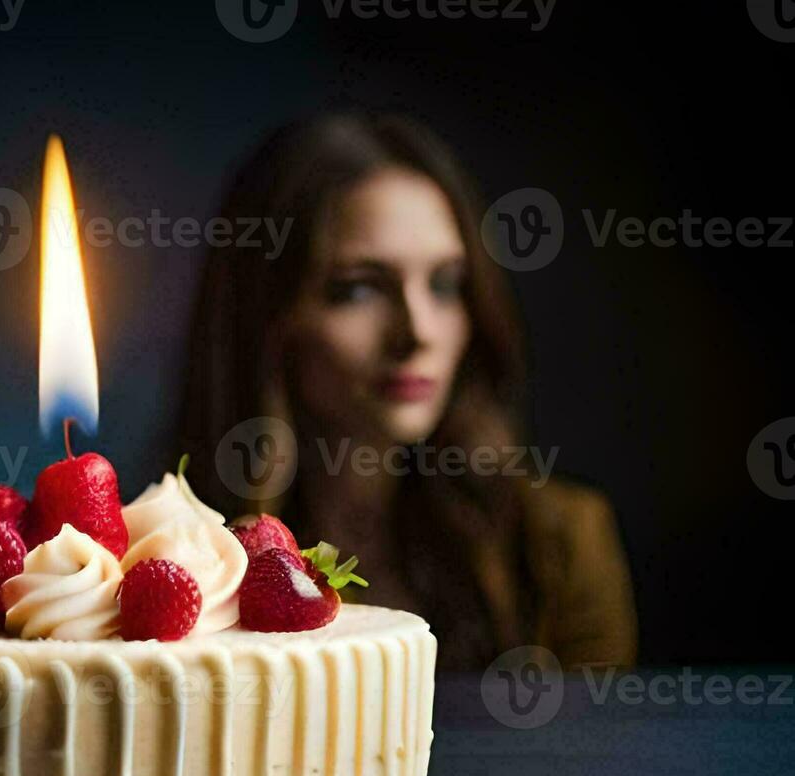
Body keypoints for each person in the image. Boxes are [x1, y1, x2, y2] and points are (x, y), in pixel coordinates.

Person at [179, 114, 636, 670]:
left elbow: (591, 755)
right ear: (267, 318)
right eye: (358, 289)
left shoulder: (560, 546)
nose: (418, 331)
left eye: (444, 284)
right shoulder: (179, 558)